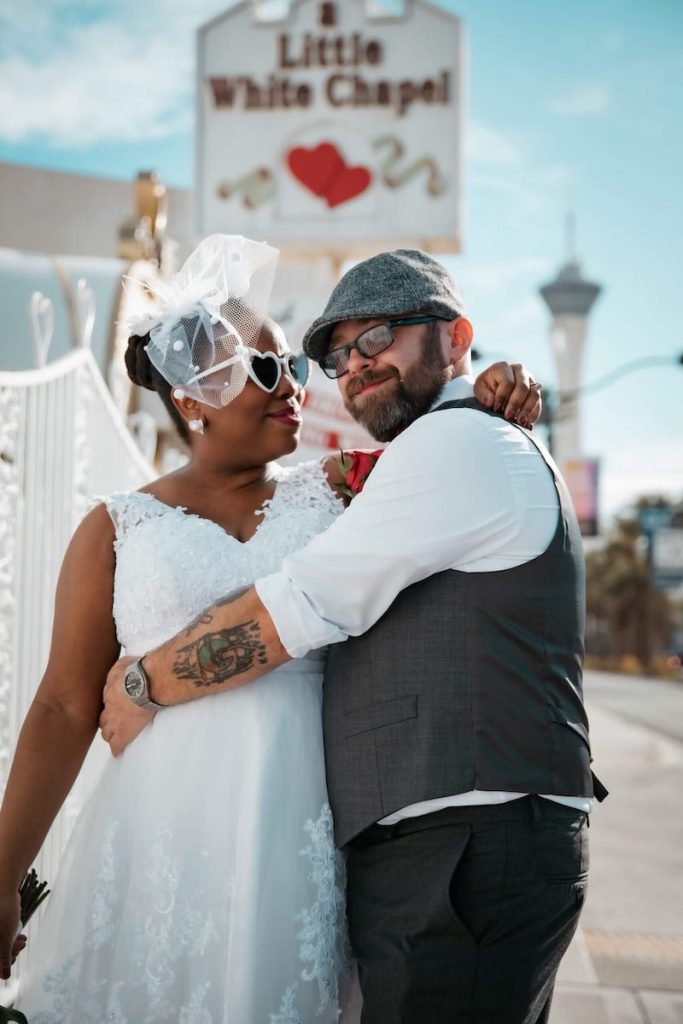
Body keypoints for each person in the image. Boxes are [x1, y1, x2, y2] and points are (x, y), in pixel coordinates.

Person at [0, 236, 539, 1022]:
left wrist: (496, 380)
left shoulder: (339, 487)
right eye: (263, 370)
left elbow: (448, 449)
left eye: (289, 365)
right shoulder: (115, 528)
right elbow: (61, 707)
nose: (290, 385)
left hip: (298, 837)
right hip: (157, 832)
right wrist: (3, 880)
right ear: (191, 399)